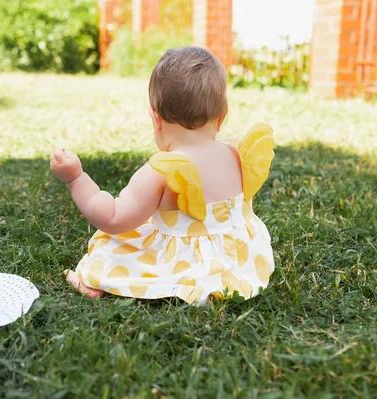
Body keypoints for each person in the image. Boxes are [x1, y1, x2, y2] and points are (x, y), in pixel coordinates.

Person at [50, 47, 276, 305]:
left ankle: (97, 280)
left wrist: (76, 178)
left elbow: (112, 217)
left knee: (112, 247)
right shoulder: (235, 153)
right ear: (222, 117)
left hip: (187, 266)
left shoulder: (162, 170)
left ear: (155, 119)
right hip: (240, 259)